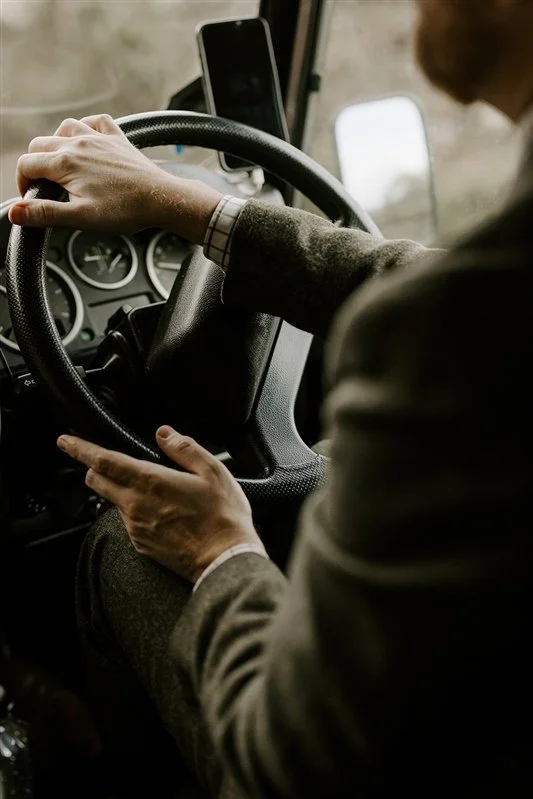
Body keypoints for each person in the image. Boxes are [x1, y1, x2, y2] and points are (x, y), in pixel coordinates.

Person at [8, 0, 533, 796]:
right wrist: (191, 207)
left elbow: (289, 770)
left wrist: (222, 551)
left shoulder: (448, 342)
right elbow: (418, 276)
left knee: (119, 544)